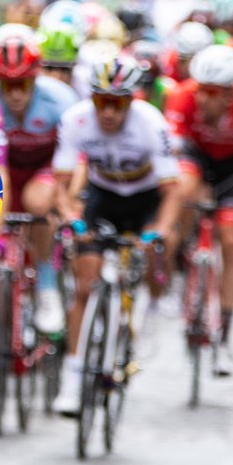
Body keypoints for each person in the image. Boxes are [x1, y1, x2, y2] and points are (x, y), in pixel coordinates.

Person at [51, 55, 181, 415]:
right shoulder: (76, 120)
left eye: (117, 103)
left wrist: (160, 230)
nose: (108, 112)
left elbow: (173, 192)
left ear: (131, 100)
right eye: (101, 102)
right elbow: (60, 187)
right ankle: (73, 379)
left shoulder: (152, 124)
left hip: (146, 198)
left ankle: (150, 309)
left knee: (160, 246)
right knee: (83, 284)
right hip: (103, 197)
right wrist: (70, 217)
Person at [163, 44, 233, 376]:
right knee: (182, 186)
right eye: (199, 89)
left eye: (210, 93)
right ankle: (179, 254)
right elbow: (170, 158)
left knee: (232, 240)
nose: (201, 98)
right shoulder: (182, 96)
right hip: (196, 160)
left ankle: (224, 335)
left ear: (229, 94)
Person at [0, 25, 79, 333]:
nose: (16, 94)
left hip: (44, 171)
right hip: (3, 171)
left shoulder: (61, 98)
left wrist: (69, 201)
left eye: (23, 84)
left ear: (36, 76)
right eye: (8, 85)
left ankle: (47, 283)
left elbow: (78, 157)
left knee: (40, 202)